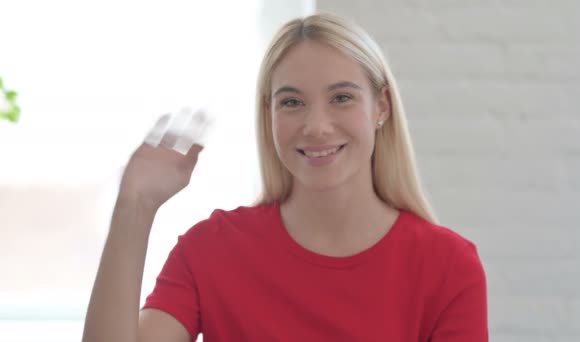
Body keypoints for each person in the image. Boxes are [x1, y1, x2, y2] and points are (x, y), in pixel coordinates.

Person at [82, 12, 488, 342]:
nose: (316, 126)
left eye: (341, 98)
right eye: (291, 102)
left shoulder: (448, 266)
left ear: (381, 107)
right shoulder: (211, 249)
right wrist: (134, 207)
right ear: (268, 115)